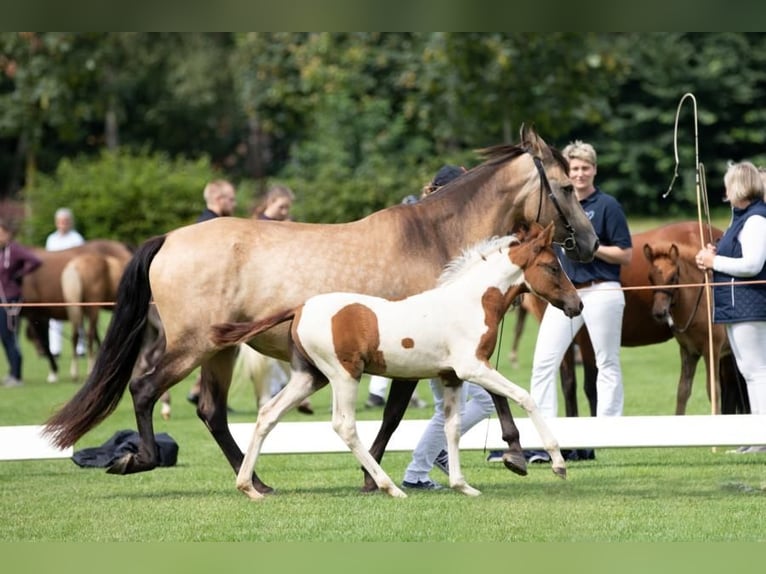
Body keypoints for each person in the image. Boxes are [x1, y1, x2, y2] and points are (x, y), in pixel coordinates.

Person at [524, 140, 632, 464]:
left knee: (606, 362)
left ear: (594, 170)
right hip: (567, 293)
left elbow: (625, 254)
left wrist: (590, 245)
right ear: (567, 174)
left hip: (603, 290)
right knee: (544, 361)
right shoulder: (556, 206)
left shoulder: (608, 205)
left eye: (586, 167)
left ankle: (607, 435)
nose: (581, 173)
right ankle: (545, 437)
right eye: (575, 169)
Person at [396, 164, 498, 490]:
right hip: (438, 333)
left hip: (440, 330)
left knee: (465, 403)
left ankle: (423, 466)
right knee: (464, 404)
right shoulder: (435, 234)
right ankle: (416, 472)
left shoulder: (442, 230)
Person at [696, 161, 766, 454]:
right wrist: (714, 254)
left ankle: (762, 436)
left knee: (758, 371)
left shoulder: (756, 220)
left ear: (737, 186)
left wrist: (715, 262)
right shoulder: (741, 218)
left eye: (728, 183)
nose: (724, 189)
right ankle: (755, 436)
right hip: (736, 307)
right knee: (749, 371)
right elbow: (736, 255)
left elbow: (752, 264)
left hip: (751, 306)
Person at [186, 180, 237, 405]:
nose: (234, 204)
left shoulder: (202, 225)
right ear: (219, 199)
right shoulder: (214, 228)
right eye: (231, 199)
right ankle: (208, 396)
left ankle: (205, 395)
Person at [0, 218, 42, 387]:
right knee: (4, 337)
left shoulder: (15, 249)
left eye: (1, 233)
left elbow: (35, 261)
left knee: (11, 337)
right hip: (1, 300)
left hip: (11, 299)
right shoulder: (2, 252)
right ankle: (11, 372)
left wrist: (19, 274)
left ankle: (17, 376)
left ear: (8, 234)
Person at [45, 207, 86, 358]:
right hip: (55, 283)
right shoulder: (51, 239)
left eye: (66, 221)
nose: (63, 224)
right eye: (61, 222)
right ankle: (55, 349)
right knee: (54, 315)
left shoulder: (77, 239)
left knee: (77, 313)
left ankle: (80, 348)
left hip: (74, 282)